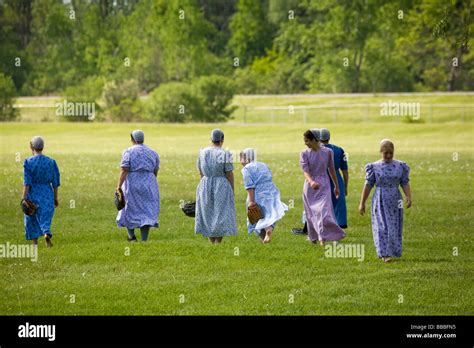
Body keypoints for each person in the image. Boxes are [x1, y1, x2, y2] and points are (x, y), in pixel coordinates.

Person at [359, 139, 411, 263]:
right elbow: (368, 185)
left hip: (395, 200)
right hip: (380, 199)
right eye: (385, 153)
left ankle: (393, 251)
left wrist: (408, 196)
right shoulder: (374, 167)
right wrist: (362, 203)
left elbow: (404, 182)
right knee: (382, 226)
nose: (388, 155)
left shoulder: (400, 166)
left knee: (394, 226)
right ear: (380, 151)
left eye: (390, 153)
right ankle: (384, 253)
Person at [292, 128, 349, 233]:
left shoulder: (316, 150)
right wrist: (344, 186)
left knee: (314, 204)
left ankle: (310, 228)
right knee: (337, 204)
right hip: (336, 177)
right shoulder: (339, 150)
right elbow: (345, 170)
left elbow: (307, 169)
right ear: (329, 137)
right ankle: (338, 226)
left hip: (320, 178)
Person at [116, 130, 160, 242]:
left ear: (133, 139)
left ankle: (131, 237)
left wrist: (119, 186)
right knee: (146, 210)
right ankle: (144, 240)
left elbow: (124, 170)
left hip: (133, 183)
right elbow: (155, 171)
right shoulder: (152, 152)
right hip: (149, 183)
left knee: (129, 208)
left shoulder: (128, 151)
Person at [195, 129, 237, 243]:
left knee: (207, 212)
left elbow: (200, 171)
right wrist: (231, 189)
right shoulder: (225, 153)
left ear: (211, 140)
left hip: (205, 183)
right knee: (220, 213)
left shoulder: (202, 153)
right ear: (222, 140)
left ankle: (211, 241)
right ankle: (218, 242)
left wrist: (204, 184)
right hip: (221, 184)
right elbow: (229, 173)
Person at [240, 148, 288, 243]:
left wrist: (251, 201)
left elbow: (250, 186)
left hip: (257, 194)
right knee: (268, 214)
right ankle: (267, 232)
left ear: (247, 158)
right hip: (271, 192)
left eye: (241, 158)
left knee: (256, 216)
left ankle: (264, 235)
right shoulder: (263, 165)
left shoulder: (246, 169)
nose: (240, 161)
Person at [22, 136, 60, 247]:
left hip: (33, 193)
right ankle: (46, 232)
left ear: (31, 147)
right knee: (45, 215)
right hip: (47, 193)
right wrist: (55, 198)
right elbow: (55, 182)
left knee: (31, 216)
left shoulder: (28, 162)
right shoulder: (51, 162)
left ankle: (35, 244)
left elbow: (27, 182)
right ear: (42, 147)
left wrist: (24, 198)